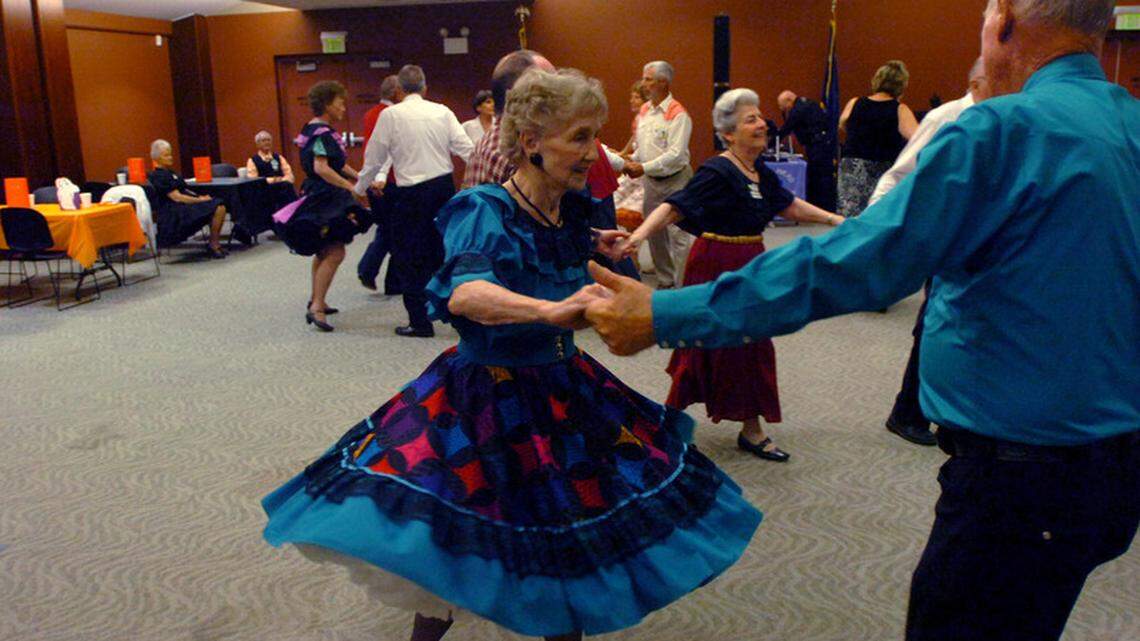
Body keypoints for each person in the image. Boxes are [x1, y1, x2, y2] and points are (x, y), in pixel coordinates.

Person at [583, 1, 1139, 639]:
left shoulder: (1000, 132)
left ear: (1005, 19)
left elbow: (854, 266)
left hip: (1020, 478)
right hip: (1113, 463)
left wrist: (664, 311)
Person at [262, 67, 762, 641]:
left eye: (595, 135)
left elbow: (557, 253)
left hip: (562, 384)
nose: (591, 152)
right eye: (578, 137)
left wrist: (591, 247)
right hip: (486, 394)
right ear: (530, 142)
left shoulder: (569, 211)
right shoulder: (483, 208)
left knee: (565, 526)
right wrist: (547, 310)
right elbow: (469, 293)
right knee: (449, 539)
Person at [624, 89, 843, 463]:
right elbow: (675, 207)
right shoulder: (718, 170)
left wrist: (832, 219)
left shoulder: (760, 172)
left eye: (760, 117)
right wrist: (640, 235)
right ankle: (671, 422)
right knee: (700, 341)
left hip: (751, 263)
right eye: (750, 120)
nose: (762, 124)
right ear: (728, 134)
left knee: (753, 343)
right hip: (714, 262)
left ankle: (751, 428)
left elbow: (786, 204)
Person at [875, 57, 990, 447]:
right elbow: (899, 174)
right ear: (977, 82)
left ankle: (936, 411)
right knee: (933, 324)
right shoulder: (947, 117)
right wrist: (879, 235)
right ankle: (907, 412)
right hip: (943, 241)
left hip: (981, 248)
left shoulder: (1007, 118)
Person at [355, 64, 474, 338]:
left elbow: (374, 157)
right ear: (425, 88)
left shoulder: (391, 116)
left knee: (409, 257)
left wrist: (360, 187)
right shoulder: (443, 111)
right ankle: (462, 316)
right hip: (443, 190)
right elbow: (466, 149)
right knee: (447, 252)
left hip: (410, 195)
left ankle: (420, 322)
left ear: (398, 91)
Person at [280, 80, 370, 332]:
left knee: (324, 250)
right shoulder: (322, 133)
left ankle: (317, 298)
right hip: (324, 197)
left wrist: (360, 178)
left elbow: (336, 163)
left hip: (321, 193)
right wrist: (350, 187)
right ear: (328, 103)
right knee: (335, 252)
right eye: (340, 103)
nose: (344, 108)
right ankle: (316, 306)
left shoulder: (313, 130)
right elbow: (322, 167)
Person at [622, 60, 694, 290]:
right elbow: (644, 148)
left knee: (679, 234)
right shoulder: (644, 112)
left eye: (648, 79)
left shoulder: (678, 114)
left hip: (677, 180)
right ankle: (665, 280)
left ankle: (682, 286)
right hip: (652, 181)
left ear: (663, 82)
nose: (643, 84)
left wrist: (644, 167)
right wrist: (630, 160)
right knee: (654, 231)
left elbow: (676, 154)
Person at [462, 48, 555, 189]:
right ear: (521, 96)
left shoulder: (503, 138)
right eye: (551, 87)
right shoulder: (512, 154)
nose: (560, 95)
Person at [836, 60, 919, 218]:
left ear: (877, 80)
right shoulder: (899, 109)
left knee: (849, 217)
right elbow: (917, 138)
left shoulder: (855, 103)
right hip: (883, 170)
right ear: (901, 85)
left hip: (852, 169)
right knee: (880, 217)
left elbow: (842, 124)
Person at [356, 74, 404, 295]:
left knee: (389, 230)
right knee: (393, 231)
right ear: (396, 92)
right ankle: (369, 270)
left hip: (377, 180)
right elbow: (386, 151)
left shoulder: (370, 114)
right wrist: (380, 178)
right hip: (388, 181)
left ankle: (389, 280)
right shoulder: (391, 115)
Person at [146, 139, 228, 259]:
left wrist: (200, 197)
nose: (170, 157)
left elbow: (184, 190)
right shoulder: (157, 176)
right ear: (157, 158)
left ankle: (214, 243)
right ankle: (213, 245)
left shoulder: (171, 172)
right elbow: (177, 197)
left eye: (170, 154)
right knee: (217, 206)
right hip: (173, 212)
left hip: (184, 205)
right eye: (166, 155)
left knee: (220, 206)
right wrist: (201, 201)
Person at [776, 90, 838, 211]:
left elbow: (787, 128)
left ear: (789, 100)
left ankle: (820, 205)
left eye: (782, 106)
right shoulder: (809, 103)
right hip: (824, 144)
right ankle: (826, 205)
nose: (783, 109)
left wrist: (770, 142)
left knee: (818, 176)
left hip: (817, 146)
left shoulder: (798, 109)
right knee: (824, 175)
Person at [245, 130, 298, 217]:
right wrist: (273, 180)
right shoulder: (252, 160)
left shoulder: (278, 157)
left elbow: (289, 174)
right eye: (263, 140)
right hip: (264, 190)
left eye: (268, 140)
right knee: (286, 189)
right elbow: (253, 180)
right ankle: (290, 213)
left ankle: (290, 215)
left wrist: (281, 180)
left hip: (282, 186)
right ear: (257, 144)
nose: (267, 142)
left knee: (287, 186)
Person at [618, 80, 651, 157]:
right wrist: (623, 153)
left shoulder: (648, 119)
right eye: (632, 97)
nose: (632, 101)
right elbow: (635, 137)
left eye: (637, 97)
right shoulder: (638, 117)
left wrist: (628, 156)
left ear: (646, 101)